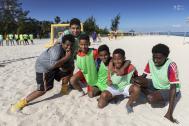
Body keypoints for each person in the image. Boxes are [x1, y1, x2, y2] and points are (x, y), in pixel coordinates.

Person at [11, 34, 75, 112]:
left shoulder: (67, 50)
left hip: (52, 66)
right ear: (62, 43)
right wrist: (66, 58)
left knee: (68, 70)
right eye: (67, 45)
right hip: (43, 68)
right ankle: (20, 104)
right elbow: (53, 65)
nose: (69, 47)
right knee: (42, 90)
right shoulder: (57, 50)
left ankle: (64, 90)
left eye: (70, 45)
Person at [133, 43, 181, 123]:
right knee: (136, 81)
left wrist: (169, 113)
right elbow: (143, 76)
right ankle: (156, 94)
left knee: (150, 98)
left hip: (168, 88)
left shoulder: (171, 65)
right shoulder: (151, 61)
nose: (155, 60)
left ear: (166, 57)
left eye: (159, 58)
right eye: (154, 57)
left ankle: (159, 96)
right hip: (156, 84)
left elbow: (173, 88)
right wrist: (134, 78)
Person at [98, 49, 140, 114]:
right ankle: (114, 96)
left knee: (137, 89)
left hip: (126, 87)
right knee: (100, 105)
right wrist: (109, 82)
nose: (117, 61)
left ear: (124, 59)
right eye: (115, 59)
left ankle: (129, 104)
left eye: (119, 59)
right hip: (114, 87)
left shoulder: (130, 67)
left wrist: (133, 79)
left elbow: (136, 76)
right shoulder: (111, 66)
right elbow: (109, 79)